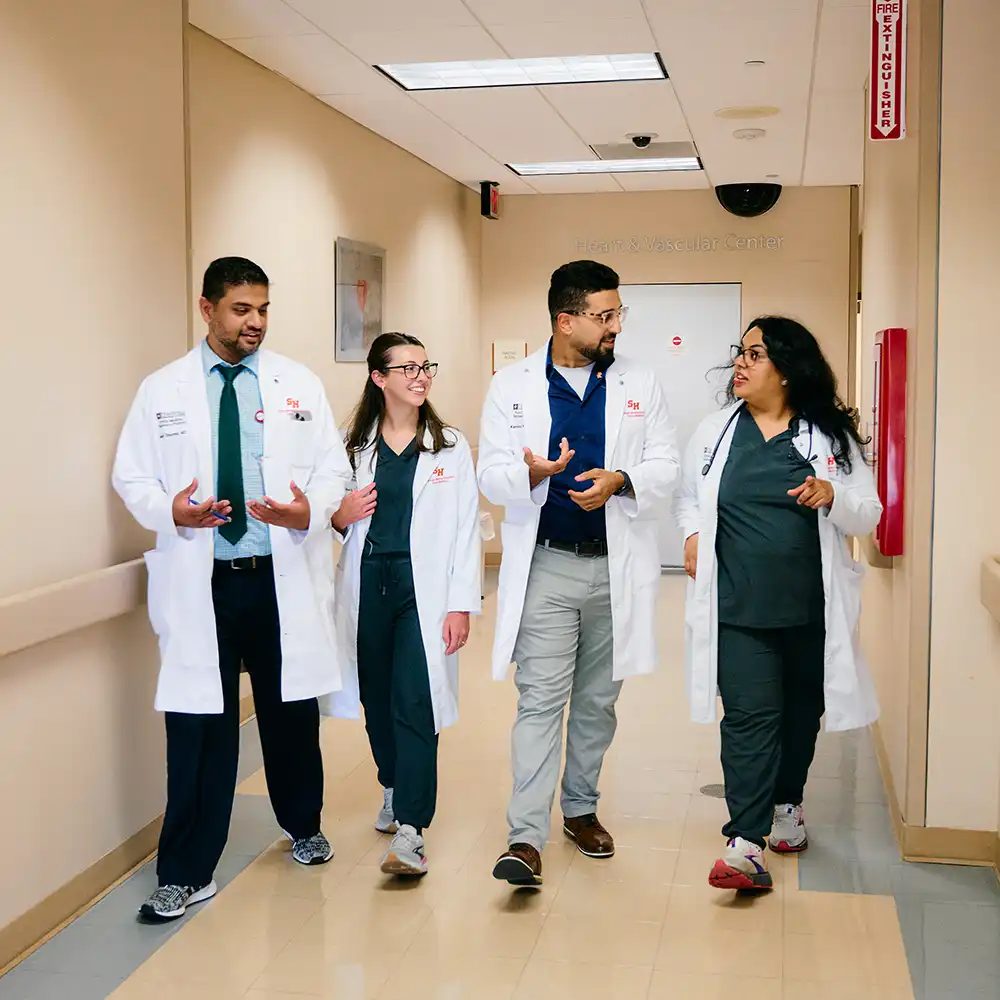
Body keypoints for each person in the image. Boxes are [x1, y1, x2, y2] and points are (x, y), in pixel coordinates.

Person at [113, 257, 351, 922]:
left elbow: (331, 466)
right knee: (198, 728)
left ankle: (304, 825)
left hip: (277, 579)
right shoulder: (161, 390)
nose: (255, 322)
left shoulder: (296, 383)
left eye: (263, 309)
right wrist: (171, 513)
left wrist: (308, 511)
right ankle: (185, 871)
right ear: (207, 308)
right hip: (204, 581)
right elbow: (131, 478)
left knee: (290, 714)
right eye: (242, 309)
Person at [477, 260, 680, 886]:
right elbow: (489, 475)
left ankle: (581, 809)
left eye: (619, 313)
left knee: (597, 702)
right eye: (605, 315)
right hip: (547, 567)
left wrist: (623, 481)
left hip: (616, 568)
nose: (616, 325)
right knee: (540, 700)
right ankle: (525, 837)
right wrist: (532, 475)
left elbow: (667, 461)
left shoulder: (640, 380)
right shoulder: (511, 386)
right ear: (565, 321)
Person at [674, 316, 882, 891]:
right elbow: (689, 498)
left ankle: (787, 804)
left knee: (799, 716)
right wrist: (691, 535)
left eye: (756, 354)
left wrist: (834, 494)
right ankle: (744, 841)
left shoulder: (829, 440)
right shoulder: (716, 431)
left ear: (788, 370)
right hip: (736, 607)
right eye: (740, 352)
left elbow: (870, 511)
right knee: (747, 718)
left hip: (809, 611)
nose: (740, 363)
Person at [323, 333, 481, 878]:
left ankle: (412, 830)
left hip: (425, 591)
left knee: (416, 700)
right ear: (379, 378)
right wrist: (340, 516)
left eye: (426, 366)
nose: (421, 376)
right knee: (375, 697)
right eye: (408, 367)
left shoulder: (450, 446)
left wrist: (461, 604)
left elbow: (465, 530)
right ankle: (392, 784)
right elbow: (329, 522)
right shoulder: (351, 447)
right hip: (368, 584)